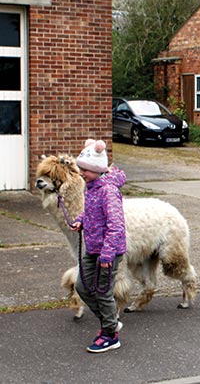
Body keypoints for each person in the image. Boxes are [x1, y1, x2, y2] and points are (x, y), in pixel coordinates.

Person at [70, 139, 126, 353]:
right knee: (82, 287)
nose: (81, 173)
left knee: (103, 292)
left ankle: (110, 334)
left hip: (107, 253)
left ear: (98, 169)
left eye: (85, 170)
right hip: (92, 248)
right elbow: (92, 212)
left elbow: (116, 225)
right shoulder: (92, 188)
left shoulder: (108, 191)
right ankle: (110, 322)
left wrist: (107, 255)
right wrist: (81, 220)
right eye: (80, 168)